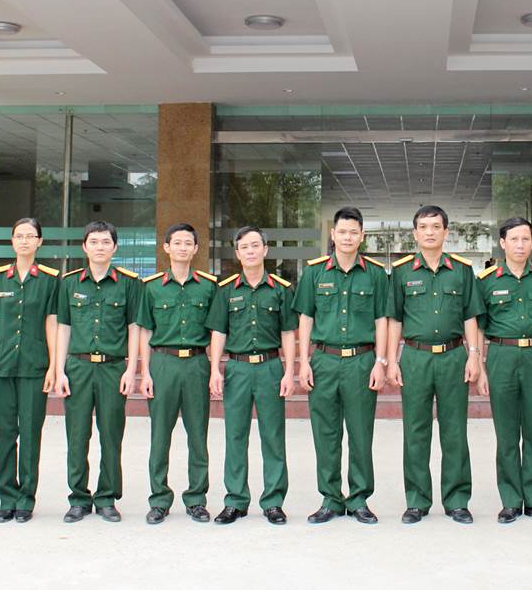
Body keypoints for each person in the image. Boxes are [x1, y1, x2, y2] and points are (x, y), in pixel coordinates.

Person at [387, 204, 484, 525]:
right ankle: (417, 500)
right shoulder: (401, 272)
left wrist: (474, 355)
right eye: (424, 227)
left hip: (454, 356)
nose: (430, 232)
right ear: (415, 233)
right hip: (415, 357)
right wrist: (390, 360)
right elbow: (394, 320)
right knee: (415, 430)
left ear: (446, 232)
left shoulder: (461, 270)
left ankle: (457, 500)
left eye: (436, 226)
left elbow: (471, 316)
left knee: (455, 430)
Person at [294, 207, 391, 525]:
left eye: (354, 232)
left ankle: (359, 498)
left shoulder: (375, 273)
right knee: (326, 432)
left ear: (362, 236)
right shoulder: (314, 272)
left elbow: (381, 320)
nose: (348, 237)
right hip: (323, 360)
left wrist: (381, 361)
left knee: (361, 433)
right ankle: (331, 499)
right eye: (342, 231)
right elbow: (305, 317)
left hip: (362, 362)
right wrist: (303, 361)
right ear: (332, 235)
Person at [207, 226, 297, 525]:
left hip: (271, 367)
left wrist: (290, 371)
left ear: (265, 250)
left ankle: (273, 501)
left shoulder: (281, 289)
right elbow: (219, 331)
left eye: (255, 245)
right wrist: (215, 369)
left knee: (273, 436)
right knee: (235, 435)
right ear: (237, 253)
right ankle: (235, 500)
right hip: (237, 368)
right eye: (244, 247)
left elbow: (288, 332)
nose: (250, 251)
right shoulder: (227, 289)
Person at [476, 217, 532, 524]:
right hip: (502, 355)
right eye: (514, 239)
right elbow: (479, 327)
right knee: (507, 433)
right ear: (502, 243)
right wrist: (481, 367)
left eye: (525, 239)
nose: (520, 244)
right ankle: (511, 500)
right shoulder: (487, 280)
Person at [53, 220, 141, 523]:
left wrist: (132, 369)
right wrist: (59, 369)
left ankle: (106, 498)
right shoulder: (70, 283)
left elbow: (134, 328)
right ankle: (78, 497)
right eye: (94, 242)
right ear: (84, 246)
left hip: (113, 368)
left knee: (111, 435)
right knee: (77, 435)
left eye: (106, 242)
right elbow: (63, 327)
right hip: (77, 367)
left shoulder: (129, 283)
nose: (100, 247)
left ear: (114, 247)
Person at [0, 218, 60, 523]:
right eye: (19, 236)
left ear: (40, 242)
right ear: (12, 241)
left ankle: (26, 498)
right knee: (3, 432)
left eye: (30, 236)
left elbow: (52, 322)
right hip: (0, 365)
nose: (24, 241)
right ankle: (6, 496)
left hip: (34, 366)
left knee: (30, 434)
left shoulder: (51, 280)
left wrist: (53, 364)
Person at [137, 223, 219, 525]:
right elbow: (145, 330)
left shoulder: (208, 287)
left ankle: (196, 499)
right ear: (166, 247)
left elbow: (215, 331)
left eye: (189, 243)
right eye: (177, 242)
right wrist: (144, 372)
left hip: (196, 364)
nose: (183, 247)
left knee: (198, 435)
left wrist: (213, 370)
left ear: (196, 249)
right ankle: (159, 499)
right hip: (163, 364)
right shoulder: (152, 286)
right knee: (160, 435)